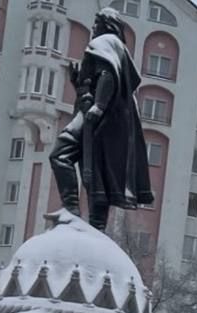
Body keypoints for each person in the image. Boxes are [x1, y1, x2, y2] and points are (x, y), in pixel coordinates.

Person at [48, 8, 154, 231]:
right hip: (110, 125)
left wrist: (99, 105)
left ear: (106, 25)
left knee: (61, 153)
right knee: (100, 177)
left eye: (97, 23)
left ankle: (71, 209)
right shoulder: (118, 48)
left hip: (95, 117)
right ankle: (96, 229)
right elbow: (102, 78)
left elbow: (107, 74)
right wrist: (80, 85)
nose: (94, 28)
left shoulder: (105, 42)